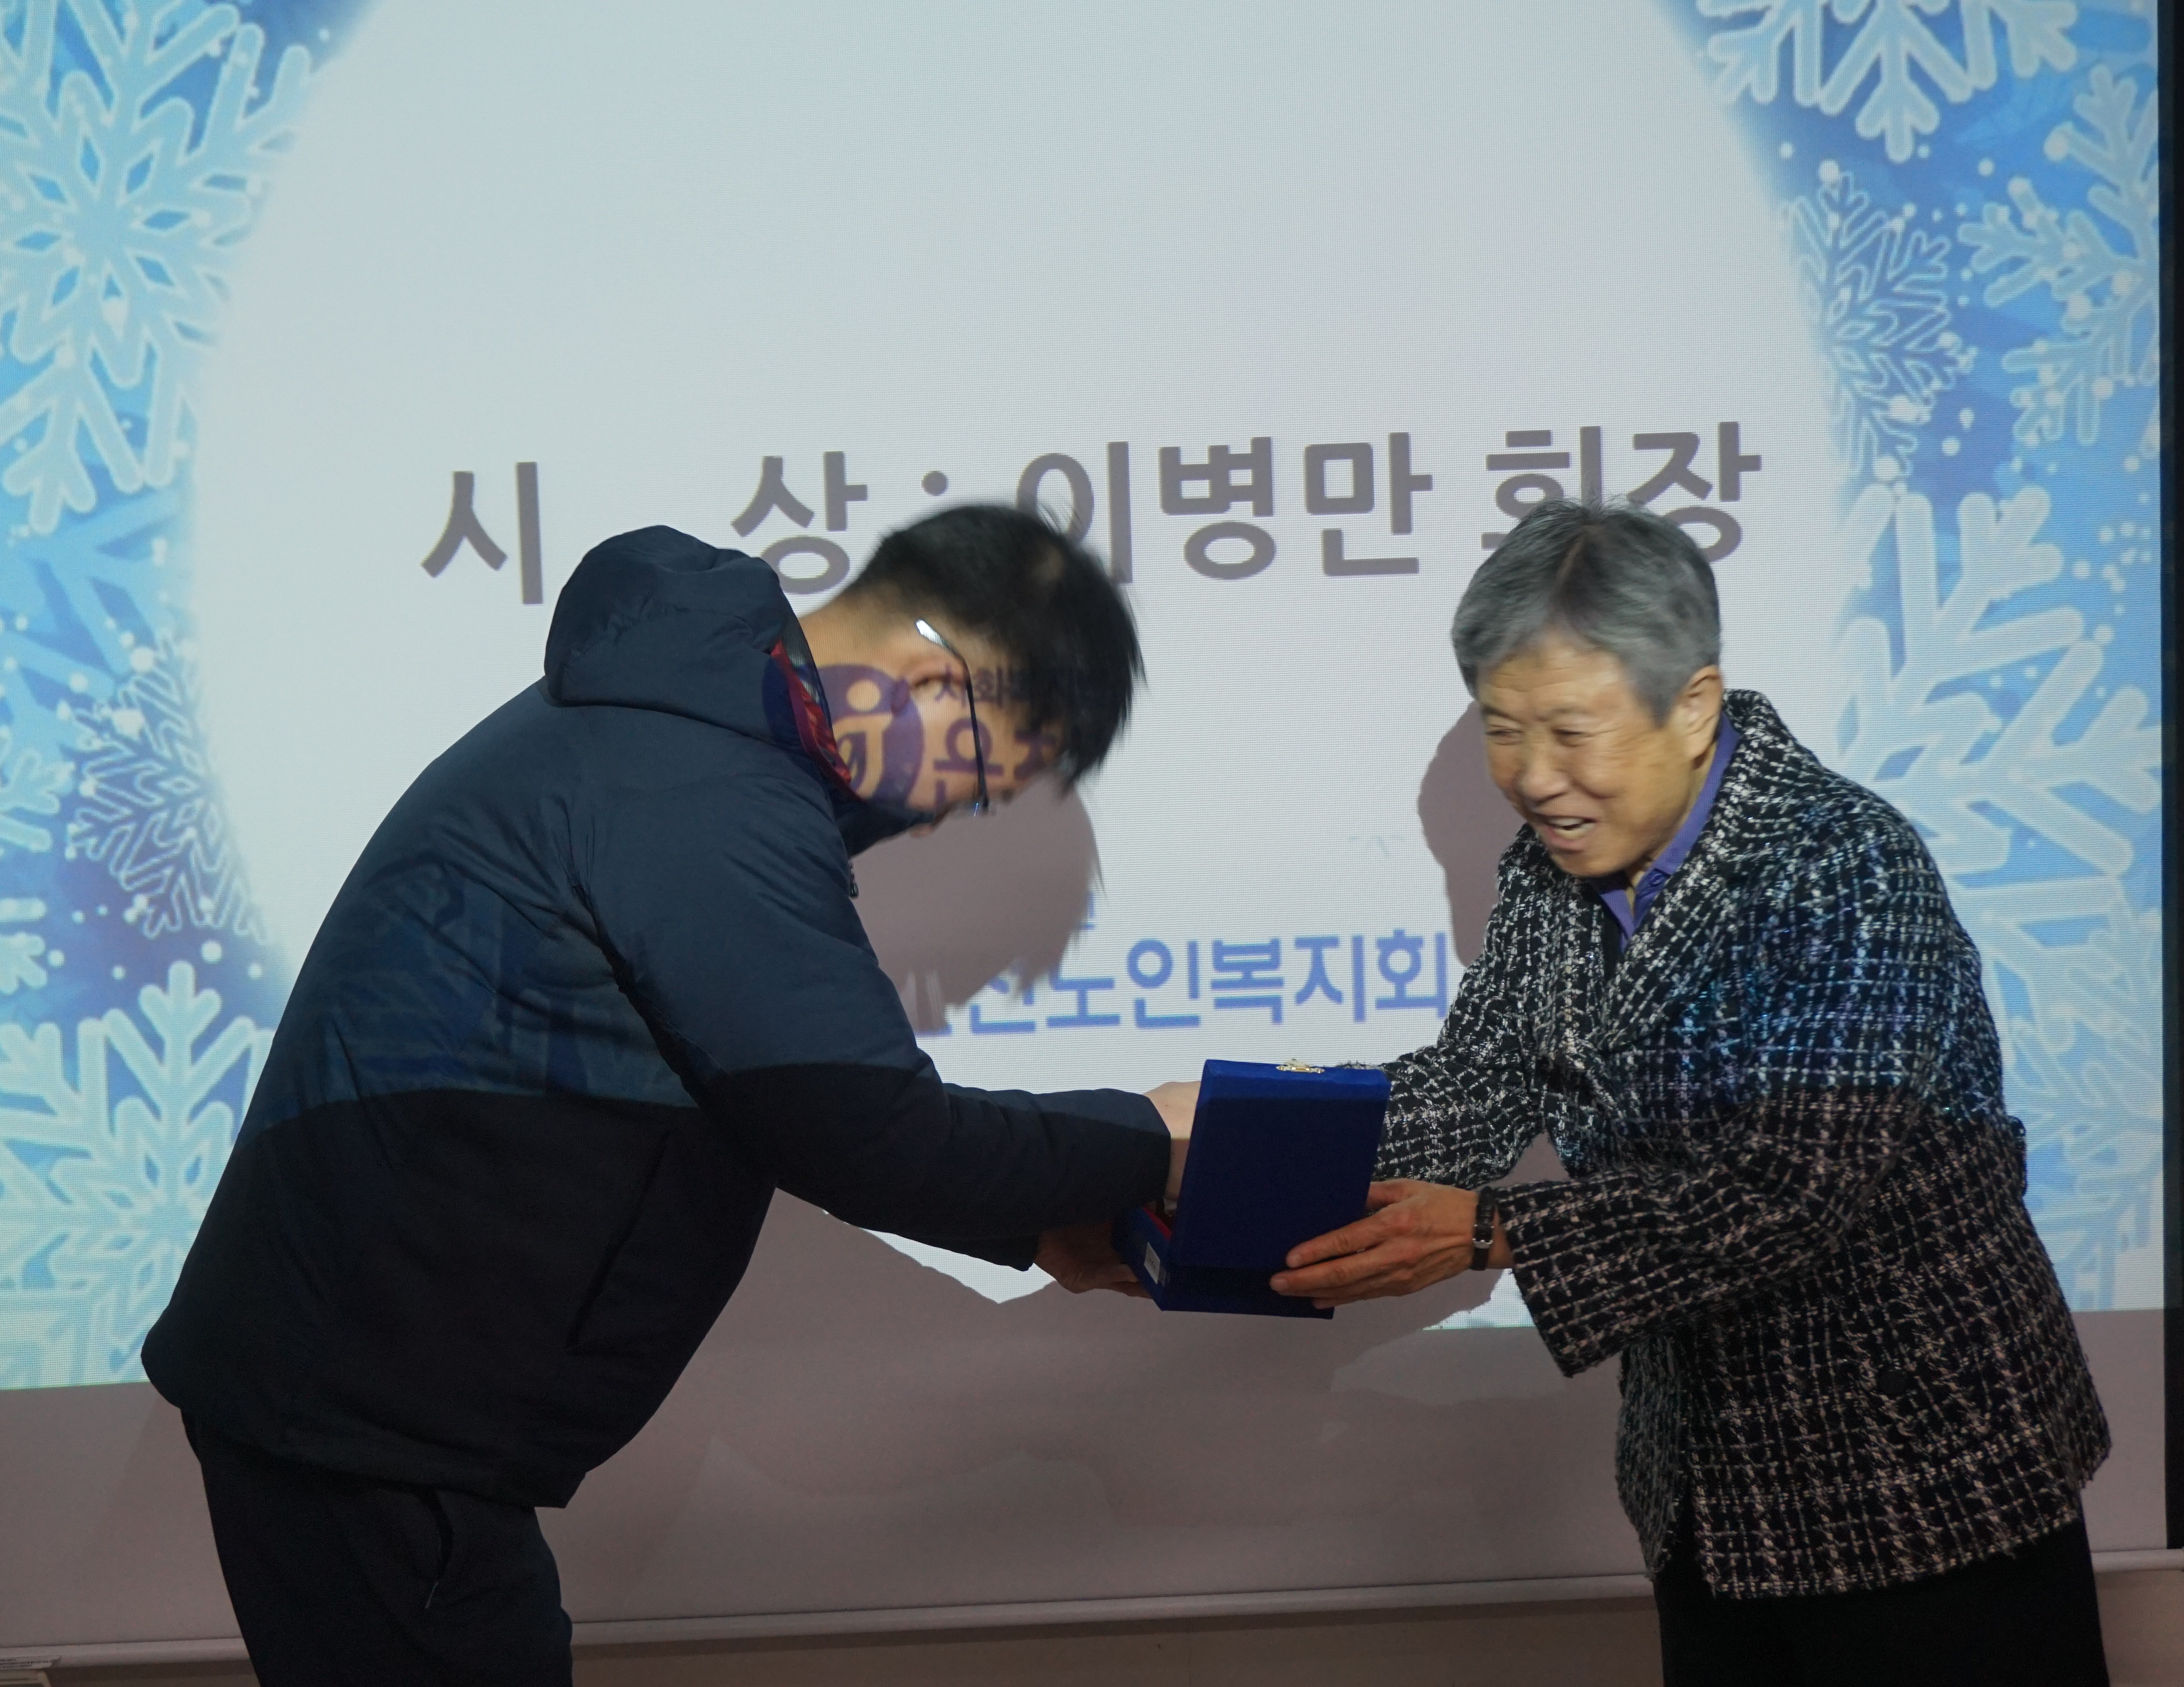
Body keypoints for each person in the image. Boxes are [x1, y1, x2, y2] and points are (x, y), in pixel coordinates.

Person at [143, 506, 1189, 1687]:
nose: (955, 811)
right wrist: (1155, 1136)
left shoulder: (674, 733)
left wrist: (1030, 1223)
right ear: (941, 677)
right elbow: (868, 1133)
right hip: (371, 1425)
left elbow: (769, 1102)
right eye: (990, 773)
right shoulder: (705, 787)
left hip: (363, 1410)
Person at [1270, 500, 2111, 1686]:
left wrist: (1492, 1231)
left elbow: (1794, 1186)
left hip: (1924, 1479)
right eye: (1503, 731)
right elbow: (1472, 1085)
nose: (1533, 778)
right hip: (1709, 1491)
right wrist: (1210, 1140)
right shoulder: (1549, 876)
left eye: (1572, 732)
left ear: (1695, 705)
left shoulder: (1843, 862)